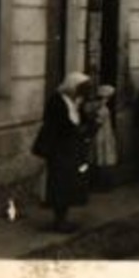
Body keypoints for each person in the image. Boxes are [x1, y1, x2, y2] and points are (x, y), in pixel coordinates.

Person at [31, 73, 95, 232]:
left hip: (71, 149)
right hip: (59, 149)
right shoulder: (56, 101)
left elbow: (81, 120)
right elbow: (55, 125)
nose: (81, 94)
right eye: (80, 90)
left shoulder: (75, 102)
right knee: (59, 183)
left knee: (69, 183)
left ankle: (63, 218)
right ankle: (59, 220)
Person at [87, 84, 119, 190]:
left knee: (101, 158)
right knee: (102, 158)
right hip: (102, 135)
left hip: (104, 134)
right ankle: (102, 183)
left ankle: (102, 182)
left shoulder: (101, 107)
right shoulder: (103, 109)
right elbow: (98, 123)